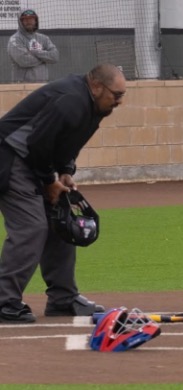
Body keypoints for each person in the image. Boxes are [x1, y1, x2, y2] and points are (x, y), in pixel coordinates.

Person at [0, 64, 127, 323]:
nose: (119, 101)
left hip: (31, 159)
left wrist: (66, 171)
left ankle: (63, 298)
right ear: (96, 86)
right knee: (32, 227)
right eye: (116, 95)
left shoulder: (95, 105)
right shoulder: (71, 101)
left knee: (61, 221)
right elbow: (38, 143)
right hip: (10, 158)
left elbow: (67, 142)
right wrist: (50, 180)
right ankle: (4, 301)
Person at [7, 9, 59, 83]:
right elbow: (24, 60)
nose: (29, 21)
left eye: (31, 19)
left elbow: (55, 56)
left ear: (35, 20)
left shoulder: (44, 38)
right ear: (20, 22)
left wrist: (35, 52)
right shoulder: (15, 39)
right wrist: (45, 58)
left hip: (42, 84)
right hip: (22, 85)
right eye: (25, 19)